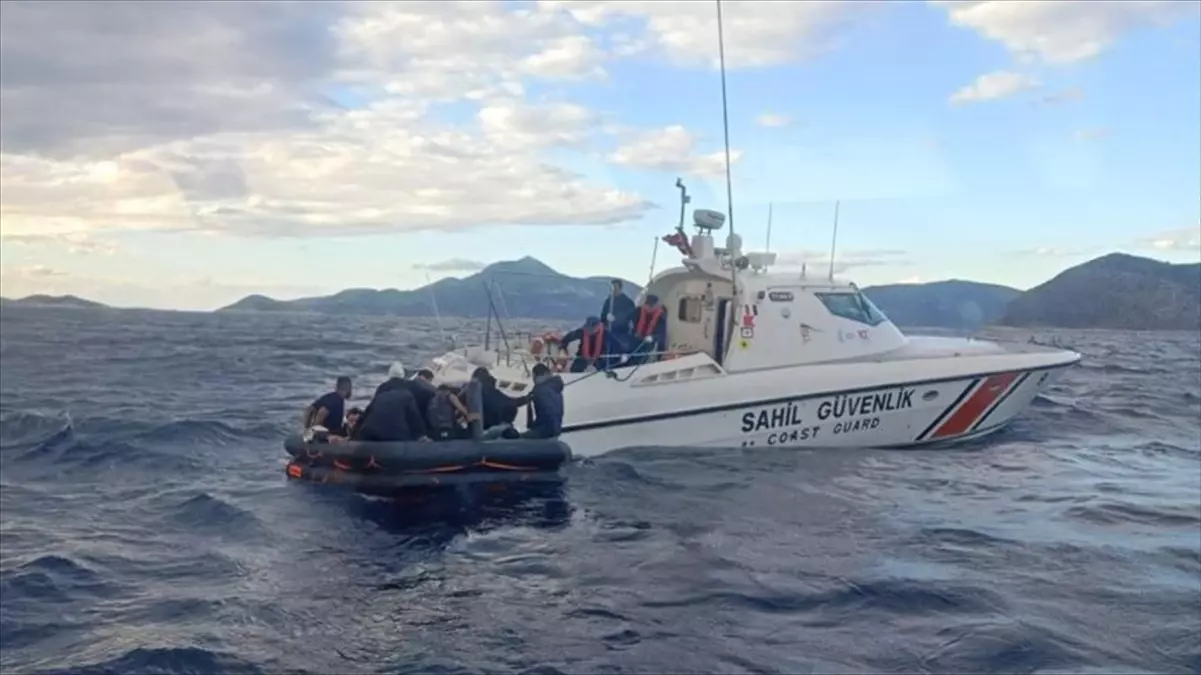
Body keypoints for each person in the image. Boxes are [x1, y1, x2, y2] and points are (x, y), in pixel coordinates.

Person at [351, 386, 429, 443]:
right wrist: (422, 435)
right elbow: (415, 419)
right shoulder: (408, 396)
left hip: (369, 434)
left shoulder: (380, 396)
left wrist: (354, 432)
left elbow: (365, 415)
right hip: (395, 438)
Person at [469, 367, 521, 439]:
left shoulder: (480, 391)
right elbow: (511, 403)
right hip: (499, 426)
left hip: (487, 429)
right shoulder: (493, 392)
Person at [521, 363, 565, 439]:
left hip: (544, 430)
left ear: (535, 376)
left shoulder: (540, 390)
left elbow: (548, 412)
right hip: (556, 429)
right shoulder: (554, 387)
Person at [628, 293, 668, 366]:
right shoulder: (638, 311)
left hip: (649, 343)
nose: (649, 307)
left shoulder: (661, 317)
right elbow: (628, 319)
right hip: (636, 339)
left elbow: (662, 334)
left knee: (643, 358)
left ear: (656, 305)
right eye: (647, 305)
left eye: (651, 305)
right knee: (631, 356)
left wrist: (653, 337)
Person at [600, 279, 635, 347]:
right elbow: (603, 315)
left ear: (620, 288)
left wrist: (616, 319)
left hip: (622, 332)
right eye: (612, 287)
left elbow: (630, 316)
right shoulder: (608, 301)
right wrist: (606, 318)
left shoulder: (627, 302)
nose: (614, 290)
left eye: (615, 287)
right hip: (609, 331)